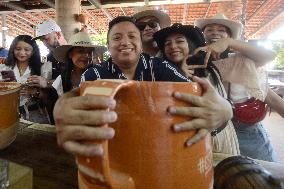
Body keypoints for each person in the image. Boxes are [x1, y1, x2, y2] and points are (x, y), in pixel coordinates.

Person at [53, 16, 233, 157]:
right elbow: (76, 103)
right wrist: (64, 111)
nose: (125, 42)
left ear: (140, 45)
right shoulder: (94, 74)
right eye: (117, 38)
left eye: (132, 36)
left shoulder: (159, 66)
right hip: (111, 152)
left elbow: (196, 97)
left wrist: (224, 109)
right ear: (108, 46)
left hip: (158, 152)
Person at [195, 13, 284, 161]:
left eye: (221, 30)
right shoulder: (197, 61)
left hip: (246, 131)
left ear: (229, 36)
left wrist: (229, 42)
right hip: (213, 131)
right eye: (209, 30)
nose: (215, 33)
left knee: (262, 179)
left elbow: (269, 55)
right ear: (202, 35)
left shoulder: (244, 60)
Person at [153, 23, 239, 155]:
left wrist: (229, 41)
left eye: (180, 41)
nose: (173, 46)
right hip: (182, 138)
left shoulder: (207, 69)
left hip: (216, 136)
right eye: (167, 44)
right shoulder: (160, 73)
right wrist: (178, 74)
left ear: (191, 44)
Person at [0, 35, 52, 123]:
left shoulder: (44, 68)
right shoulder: (3, 68)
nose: (22, 53)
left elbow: (49, 97)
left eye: (27, 50)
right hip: (9, 114)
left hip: (35, 115)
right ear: (13, 49)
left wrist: (35, 92)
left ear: (33, 51)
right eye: (18, 49)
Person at [34, 19, 68, 124]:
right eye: (42, 40)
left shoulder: (73, 53)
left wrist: (47, 83)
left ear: (57, 34)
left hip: (71, 110)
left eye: (46, 39)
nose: (44, 44)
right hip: (54, 111)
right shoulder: (49, 57)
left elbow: (76, 80)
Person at [52, 32, 101, 96]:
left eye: (89, 52)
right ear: (70, 54)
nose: (86, 55)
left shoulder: (99, 75)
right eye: (80, 51)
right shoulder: (61, 80)